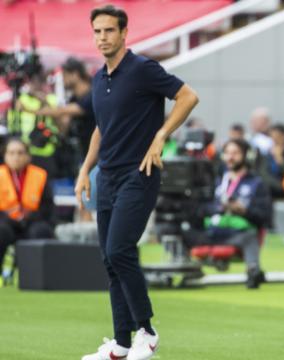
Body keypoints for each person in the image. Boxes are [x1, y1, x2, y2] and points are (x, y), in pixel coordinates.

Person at [76, 5, 199, 360]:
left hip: (139, 173)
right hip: (107, 177)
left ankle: (147, 331)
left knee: (119, 250)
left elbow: (188, 96)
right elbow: (102, 128)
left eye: (109, 31)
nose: (103, 37)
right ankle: (122, 343)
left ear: (124, 32)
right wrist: (85, 169)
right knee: (110, 260)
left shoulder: (143, 69)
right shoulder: (100, 79)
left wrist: (161, 135)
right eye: (97, 31)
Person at [184, 139, 272, 288]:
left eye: (235, 153)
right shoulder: (216, 181)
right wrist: (218, 208)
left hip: (236, 234)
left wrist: (244, 210)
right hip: (211, 232)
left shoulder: (257, 184)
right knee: (181, 229)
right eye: (227, 153)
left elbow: (265, 216)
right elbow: (198, 209)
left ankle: (253, 271)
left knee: (250, 236)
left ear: (246, 156)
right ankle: (184, 270)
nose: (230, 157)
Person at [0, 137, 55, 282]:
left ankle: (35, 277)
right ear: (4, 155)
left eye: (20, 153)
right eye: (11, 153)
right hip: (6, 222)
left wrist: (28, 216)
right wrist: (9, 216)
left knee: (41, 230)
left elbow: (48, 206)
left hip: (32, 221)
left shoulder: (40, 175)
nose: (16, 157)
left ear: (28, 156)